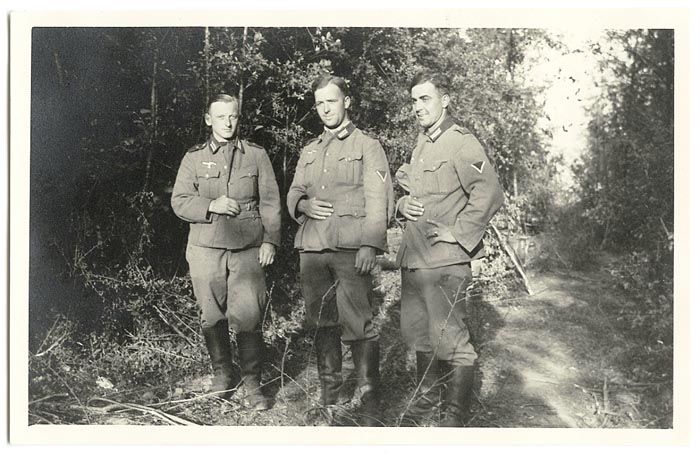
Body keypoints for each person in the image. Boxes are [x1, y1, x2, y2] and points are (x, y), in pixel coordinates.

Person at [395, 71, 505, 426]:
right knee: (421, 338)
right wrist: (401, 206)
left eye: (425, 98)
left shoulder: (460, 142)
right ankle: (425, 403)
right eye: (413, 100)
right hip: (415, 259)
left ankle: (455, 417)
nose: (417, 107)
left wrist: (459, 235)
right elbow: (415, 190)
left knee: (452, 341)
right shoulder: (423, 143)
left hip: (445, 262)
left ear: (445, 100)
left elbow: (489, 192)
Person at [287, 74, 393, 426]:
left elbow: (380, 200)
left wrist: (370, 244)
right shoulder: (310, 148)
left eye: (331, 101)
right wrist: (302, 205)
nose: (325, 109)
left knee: (359, 323)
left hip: (351, 248)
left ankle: (368, 397)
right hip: (313, 248)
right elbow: (294, 191)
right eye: (319, 103)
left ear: (347, 102)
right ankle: (329, 396)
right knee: (321, 323)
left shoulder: (367, 145)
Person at [171, 94, 281, 410]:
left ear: (238, 117)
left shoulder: (256, 155)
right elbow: (179, 201)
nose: (228, 123)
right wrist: (211, 205)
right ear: (209, 120)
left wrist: (271, 240)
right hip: (205, 248)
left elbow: (271, 201)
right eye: (220, 117)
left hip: (247, 248)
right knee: (211, 314)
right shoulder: (193, 158)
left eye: (232, 116)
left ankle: (252, 383)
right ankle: (222, 375)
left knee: (249, 315)